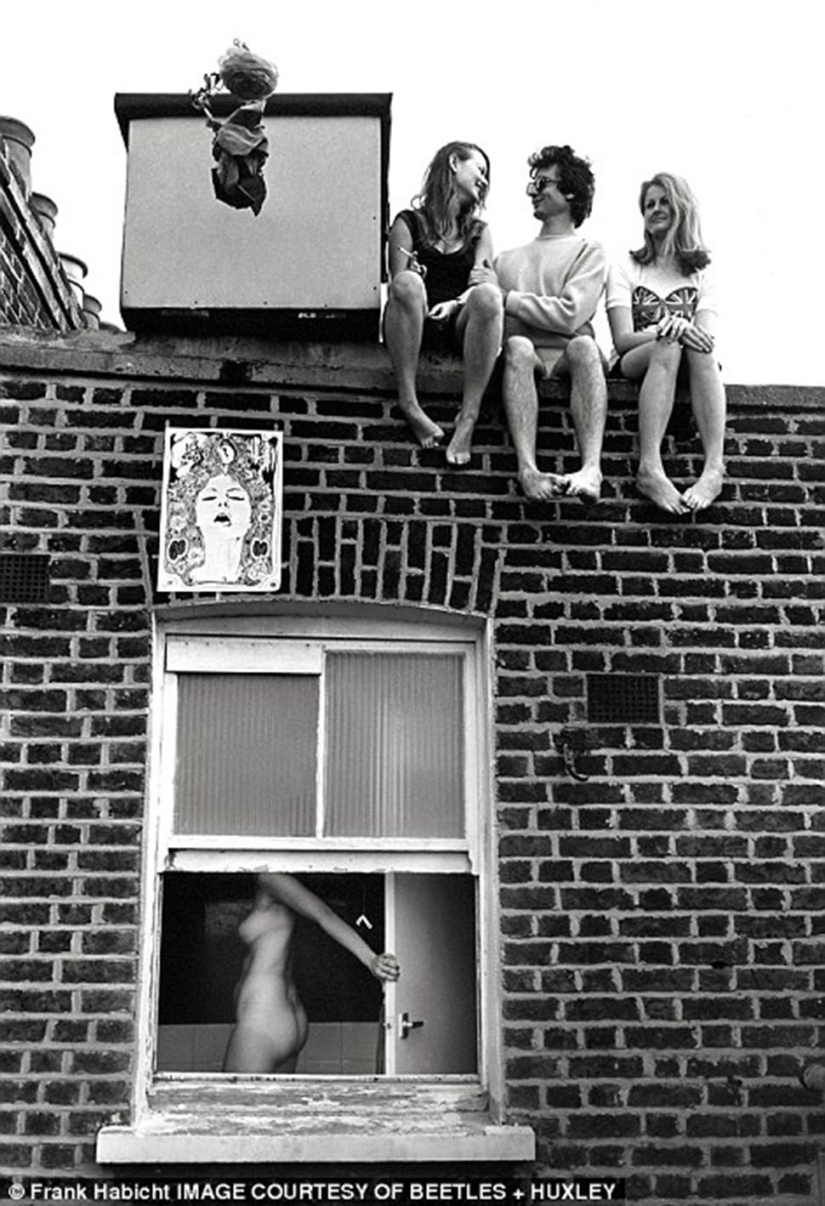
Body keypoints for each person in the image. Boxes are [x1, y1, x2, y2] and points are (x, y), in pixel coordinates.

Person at [489, 144, 607, 502]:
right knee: (517, 346)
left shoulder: (588, 251)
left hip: (572, 357)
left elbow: (571, 313)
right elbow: (487, 310)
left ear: (570, 192)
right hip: (524, 359)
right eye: (532, 184)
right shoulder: (505, 260)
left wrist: (511, 300)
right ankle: (527, 469)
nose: (533, 192)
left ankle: (591, 469)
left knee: (584, 345)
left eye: (542, 183)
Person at [606, 172, 726, 514]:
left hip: (687, 358)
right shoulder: (626, 268)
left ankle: (713, 469)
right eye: (649, 205)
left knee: (700, 347)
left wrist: (683, 330)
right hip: (635, 359)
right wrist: (668, 330)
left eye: (664, 202)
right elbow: (622, 339)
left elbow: (704, 336)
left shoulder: (702, 274)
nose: (655, 209)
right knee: (671, 342)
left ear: (681, 208)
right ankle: (650, 468)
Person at [384, 141, 504, 464]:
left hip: (461, 327)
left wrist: (454, 304)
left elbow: (482, 282)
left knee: (489, 296)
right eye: (480, 169)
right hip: (414, 322)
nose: (484, 181)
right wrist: (415, 278)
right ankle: (409, 404)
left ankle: (468, 418)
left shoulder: (479, 232)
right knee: (407, 283)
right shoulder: (407, 223)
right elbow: (398, 287)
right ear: (453, 163)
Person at [222, 872, 400, 1074]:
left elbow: (323, 914)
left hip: (263, 1017)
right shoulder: (271, 887)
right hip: (280, 1015)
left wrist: (370, 959)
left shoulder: (270, 878)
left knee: (229, 1094)